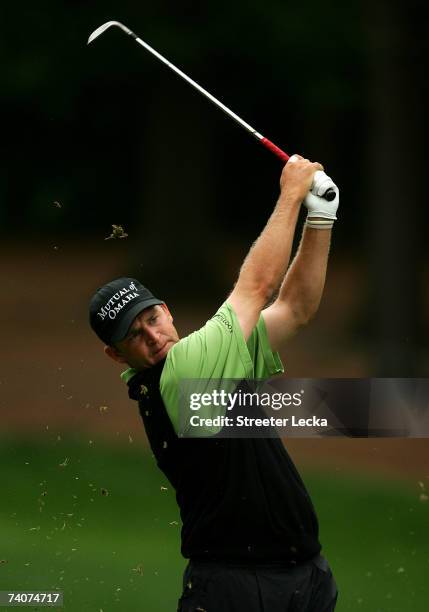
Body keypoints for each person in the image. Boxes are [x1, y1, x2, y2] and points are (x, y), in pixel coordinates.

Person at [89, 155, 339, 611]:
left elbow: (295, 308)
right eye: (133, 335)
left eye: (151, 319)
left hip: (302, 578)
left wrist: (321, 216)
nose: (152, 336)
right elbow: (257, 286)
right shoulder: (180, 373)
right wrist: (290, 193)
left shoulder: (212, 360)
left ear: (166, 309)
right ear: (116, 355)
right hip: (237, 589)